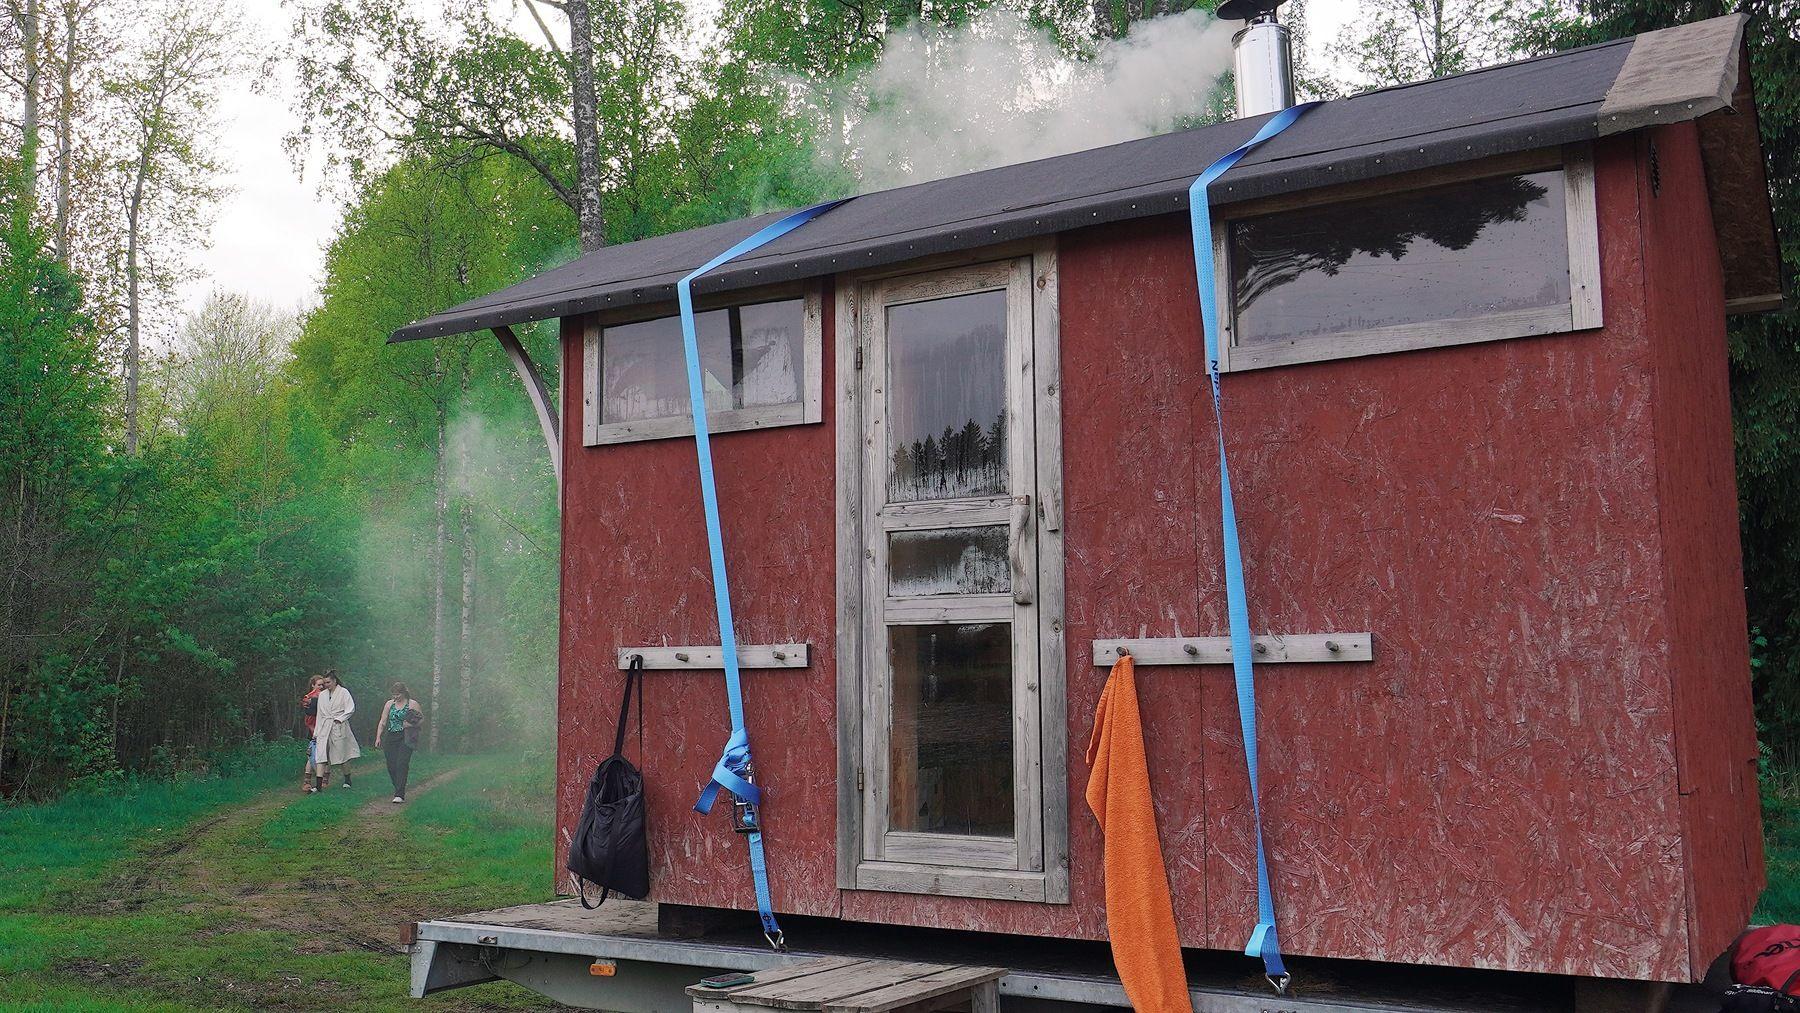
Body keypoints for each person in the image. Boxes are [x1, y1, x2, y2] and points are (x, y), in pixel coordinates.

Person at [374, 682, 424, 803]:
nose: (395, 697)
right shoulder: (389, 704)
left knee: (402, 763)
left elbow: (421, 719)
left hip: (406, 736)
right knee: (391, 764)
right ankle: (398, 786)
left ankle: (399, 794)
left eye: (398, 694)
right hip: (391, 736)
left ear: (403, 693)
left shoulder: (412, 704)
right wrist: (378, 737)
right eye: (394, 694)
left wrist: (411, 724)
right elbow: (383, 721)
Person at [311, 670, 360, 789]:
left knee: (342, 754)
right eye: (324, 683)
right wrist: (316, 732)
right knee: (321, 754)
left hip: (338, 726)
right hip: (324, 727)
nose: (326, 685)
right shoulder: (322, 695)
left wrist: (340, 719)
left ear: (334, 681)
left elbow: (350, 708)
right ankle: (318, 786)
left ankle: (347, 779)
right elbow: (320, 715)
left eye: (328, 682)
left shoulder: (343, 692)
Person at [300, 675, 324, 793]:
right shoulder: (309, 697)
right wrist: (314, 731)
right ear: (313, 685)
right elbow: (308, 716)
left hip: (323, 728)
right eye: (319, 684)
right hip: (314, 729)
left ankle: (324, 780)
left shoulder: (325, 695)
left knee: (325, 754)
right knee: (312, 755)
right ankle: (307, 782)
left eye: (322, 684)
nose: (321, 687)